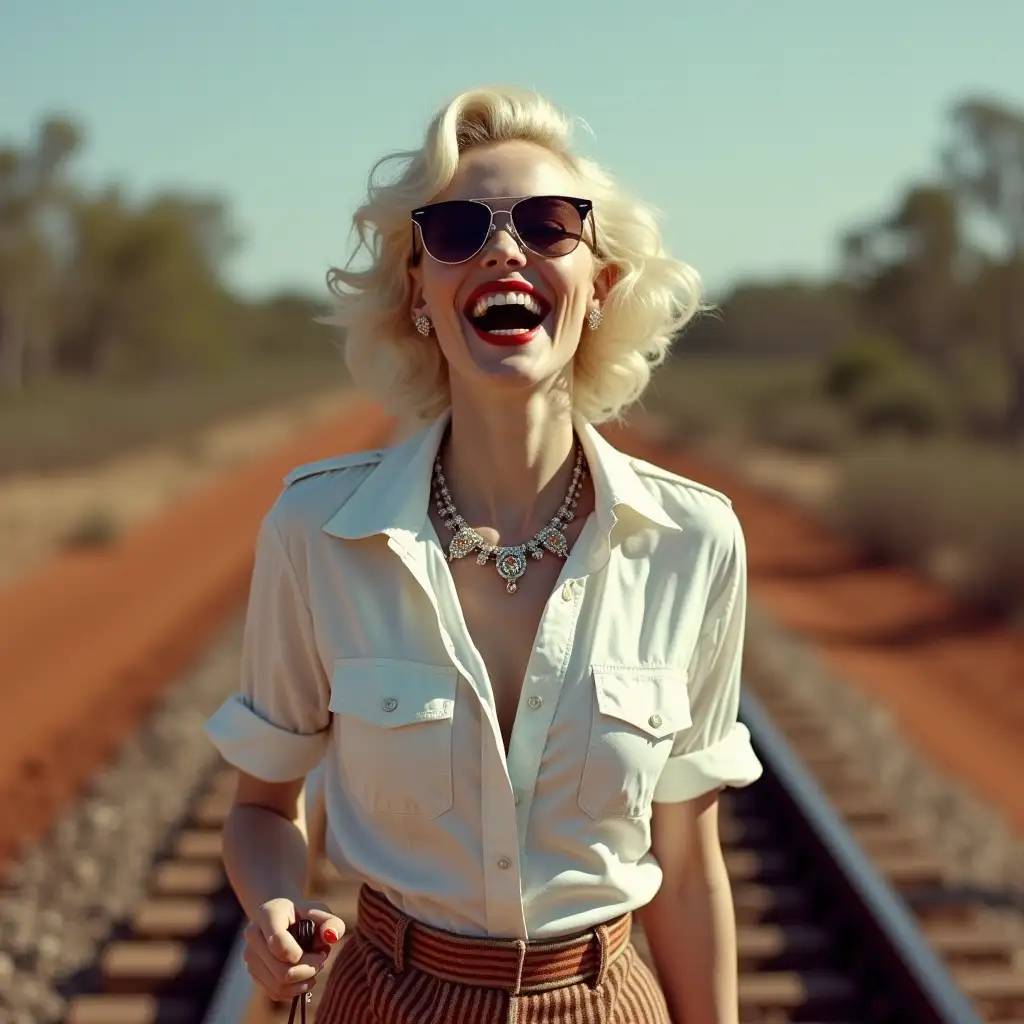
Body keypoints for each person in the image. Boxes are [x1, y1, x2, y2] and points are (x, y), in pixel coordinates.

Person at [205, 84, 763, 1024]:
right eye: (459, 229)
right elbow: (261, 808)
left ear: (600, 286)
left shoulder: (694, 540)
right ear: (420, 292)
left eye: (549, 225)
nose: (505, 249)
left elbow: (689, 863)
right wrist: (272, 909)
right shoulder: (316, 531)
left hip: (603, 999)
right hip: (388, 996)